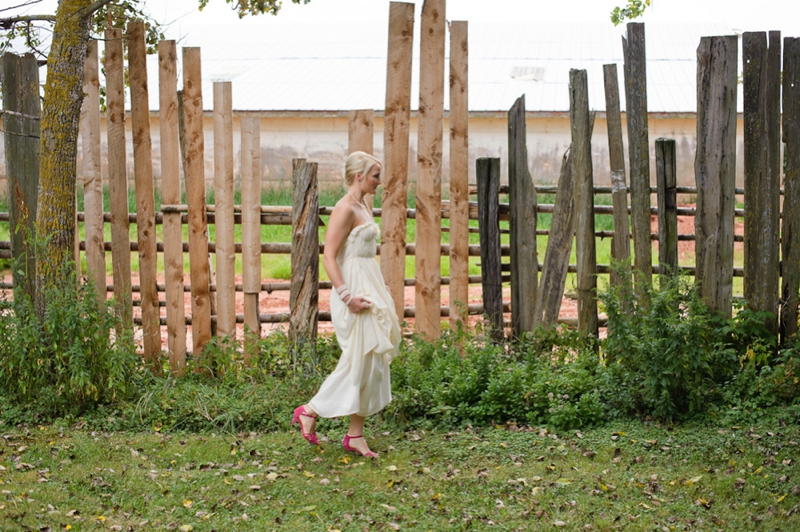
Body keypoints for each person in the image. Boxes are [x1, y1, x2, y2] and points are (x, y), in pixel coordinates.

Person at [292, 151, 401, 458]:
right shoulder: (344, 208)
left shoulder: (364, 206)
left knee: (373, 363)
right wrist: (347, 297)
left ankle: (355, 435)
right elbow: (329, 256)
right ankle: (310, 410)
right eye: (375, 175)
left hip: (370, 283)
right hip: (352, 289)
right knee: (359, 359)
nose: (379, 181)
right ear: (359, 176)